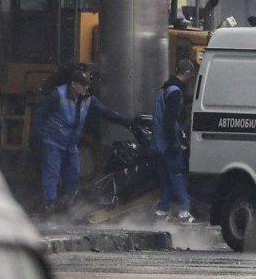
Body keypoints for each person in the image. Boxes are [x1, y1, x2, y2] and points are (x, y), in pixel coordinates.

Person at [36, 69, 130, 213]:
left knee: (73, 176)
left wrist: (124, 121)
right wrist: (39, 136)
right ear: (73, 84)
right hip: (53, 142)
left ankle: (70, 207)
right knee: (52, 175)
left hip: (71, 145)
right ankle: (50, 206)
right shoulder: (58, 95)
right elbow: (40, 114)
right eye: (83, 84)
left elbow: (105, 112)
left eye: (87, 84)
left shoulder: (88, 99)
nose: (86, 87)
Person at [151, 59, 197, 223]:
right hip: (167, 142)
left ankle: (162, 211)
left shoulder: (165, 89)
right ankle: (184, 211)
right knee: (177, 174)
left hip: (157, 142)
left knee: (166, 177)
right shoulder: (175, 92)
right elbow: (170, 121)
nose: (191, 78)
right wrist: (174, 143)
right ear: (186, 73)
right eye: (191, 75)